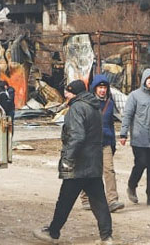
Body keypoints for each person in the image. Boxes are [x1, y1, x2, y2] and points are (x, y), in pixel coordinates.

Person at [33, 80, 113, 244]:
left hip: (78, 164)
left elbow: (77, 136)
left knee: (65, 201)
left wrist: (68, 160)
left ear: (75, 93)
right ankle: (107, 237)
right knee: (99, 202)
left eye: (68, 92)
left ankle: (53, 232)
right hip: (94, 164)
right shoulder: (94, 107)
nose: (65, 95)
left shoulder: (77, 108)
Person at [119, 68, 150, 207]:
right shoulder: (134, 96)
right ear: (144, 80)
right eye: (149, 78)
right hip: (138, 138)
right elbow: (127, 115)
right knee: (141, 163)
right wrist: (123, 134)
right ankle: (132, 185)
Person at [80, 75, 125, 213]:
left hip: (106, 142)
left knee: (109, 170)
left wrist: (112, 143)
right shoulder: (88, 103)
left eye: (104, 87)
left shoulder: (110, 104)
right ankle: (85, 198)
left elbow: (110, 124)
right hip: (91, 143)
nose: (102, 90)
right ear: (94, 89)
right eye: (100, 87)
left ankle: (112, 200)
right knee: (90, 171)